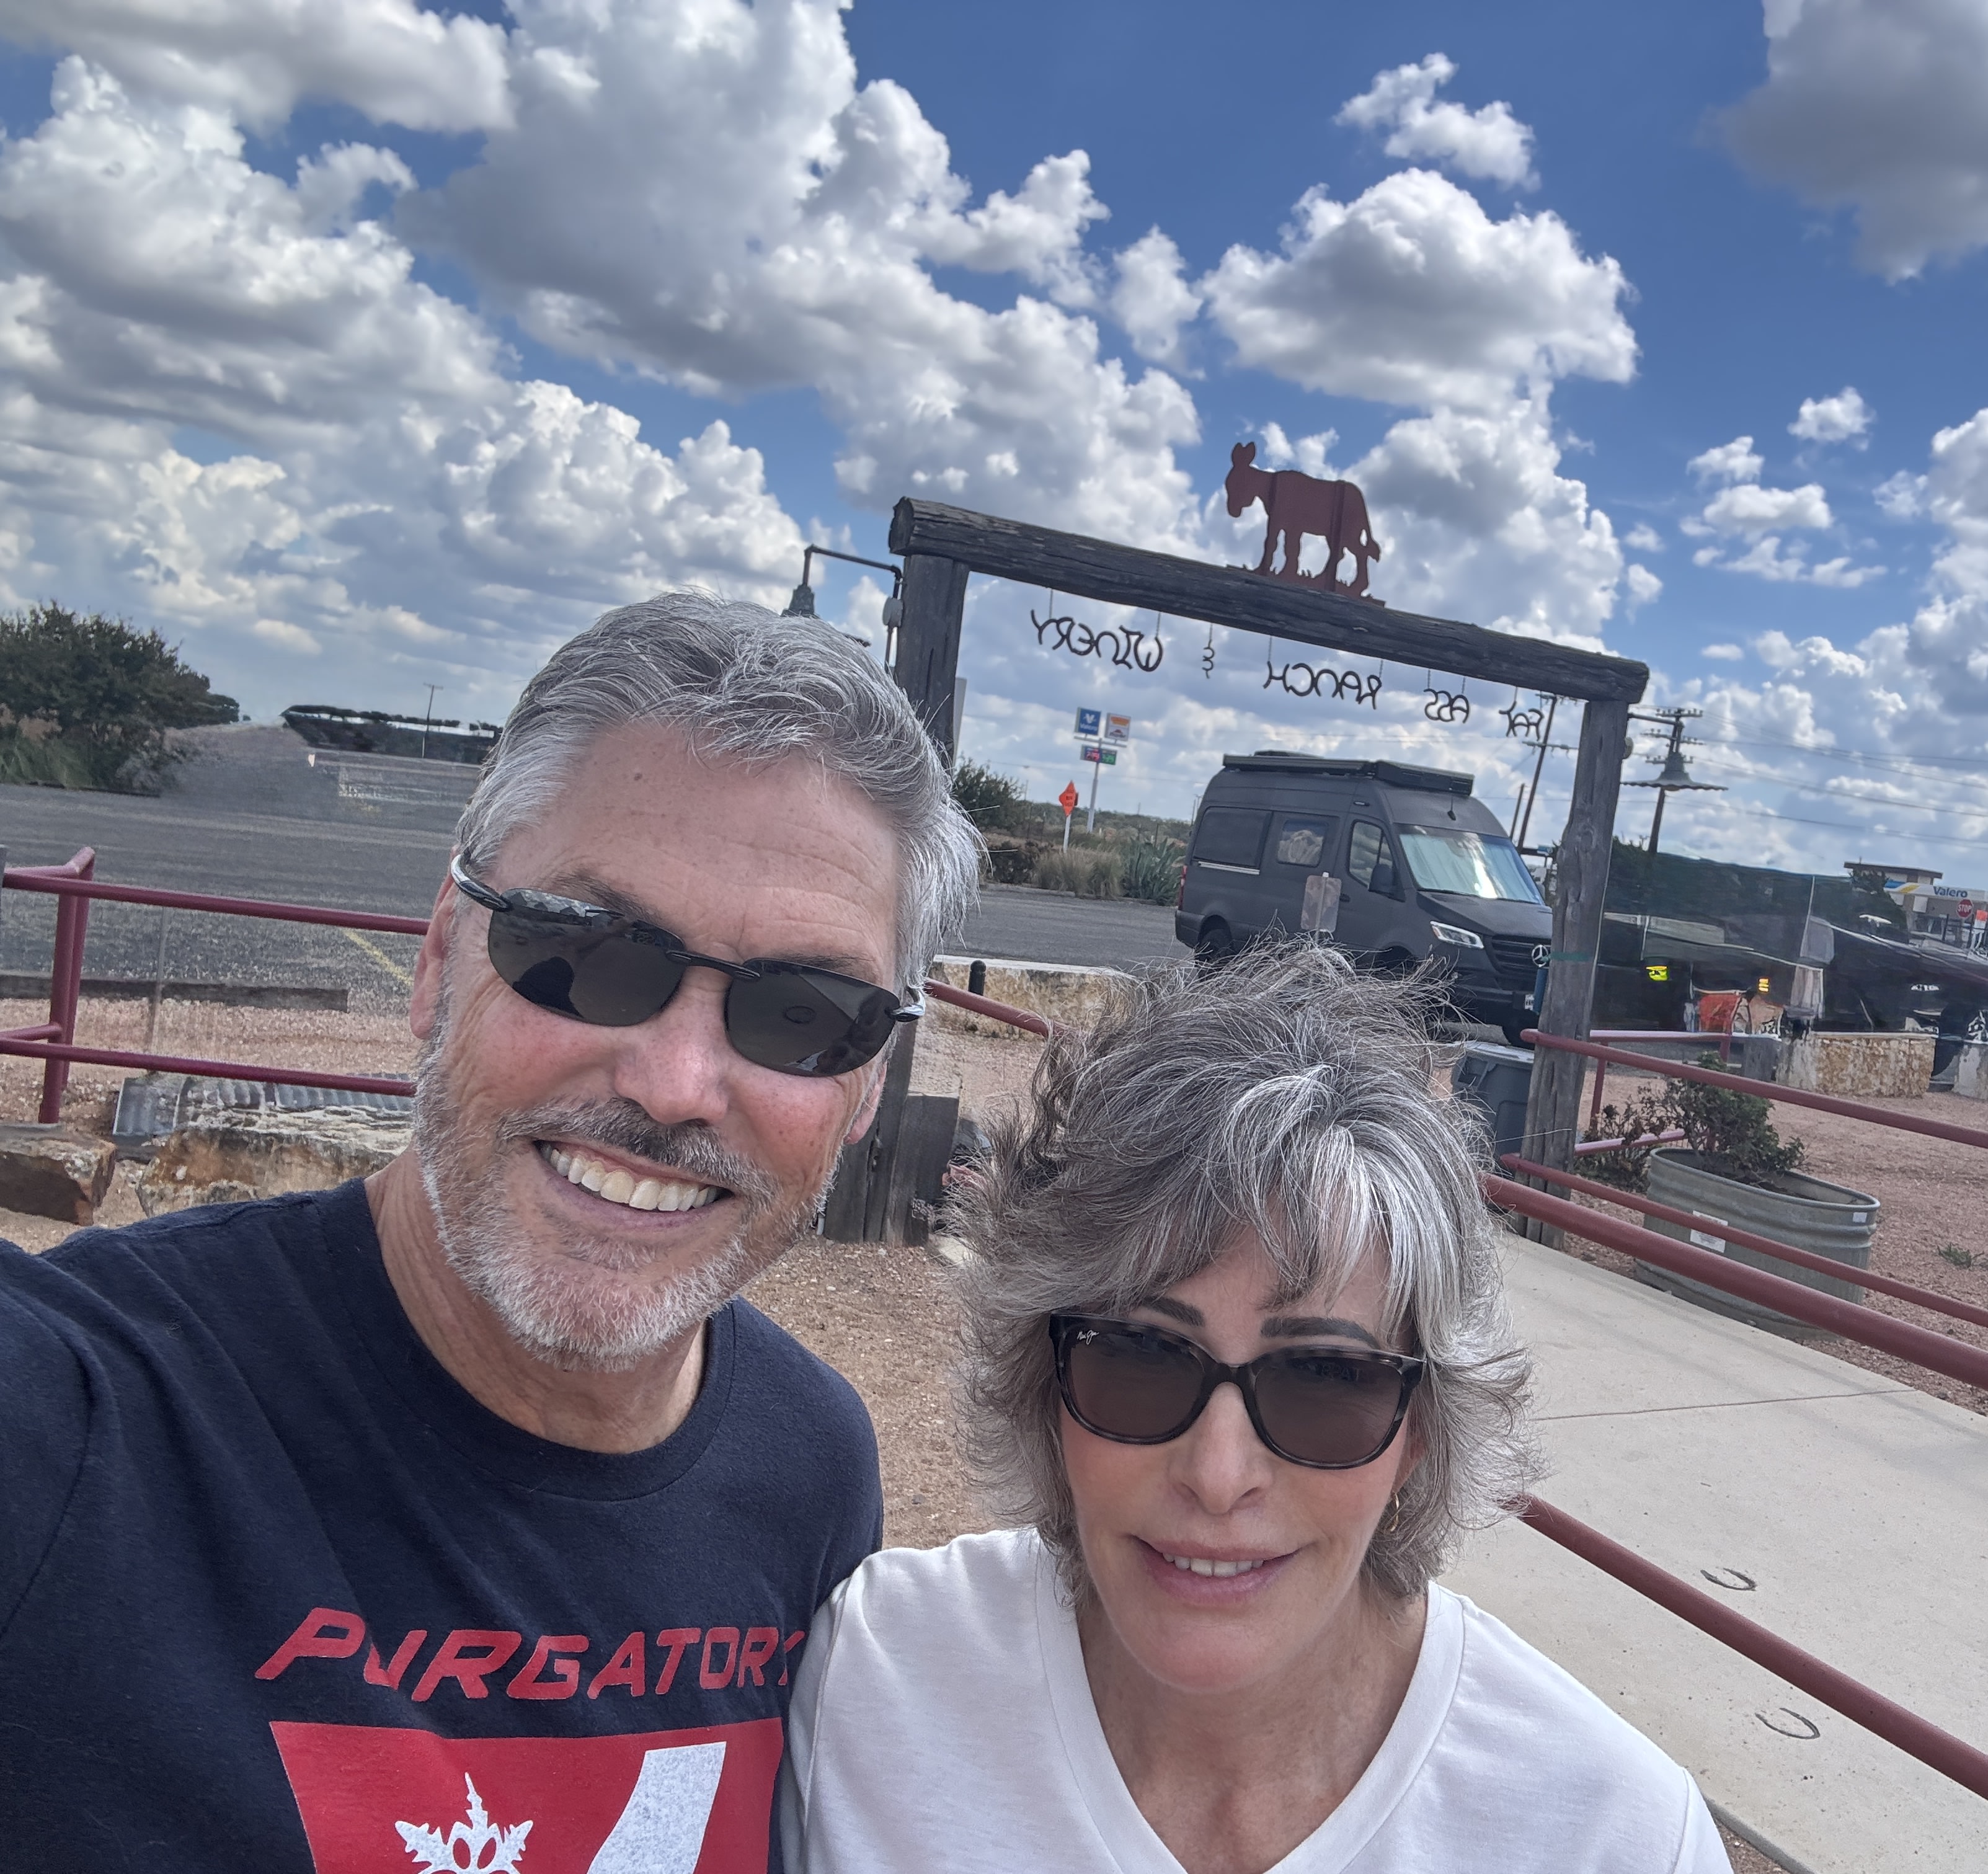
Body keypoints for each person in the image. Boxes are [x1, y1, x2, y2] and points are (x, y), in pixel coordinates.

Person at [0, 592, 980, 1872]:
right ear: (438, 957)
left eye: (802, 1013)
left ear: (866, 1088)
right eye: (589, 951)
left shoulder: (809, 1465)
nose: (675, 1083)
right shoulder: (79, 1418)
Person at [781, 946, 1733, 1874]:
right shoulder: (874, 1682)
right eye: (1141, 1357)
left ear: (1420, 1434)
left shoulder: (1616, 1836)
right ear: (1042, 1380)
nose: (1218, 1474)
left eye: (1322, 1379)